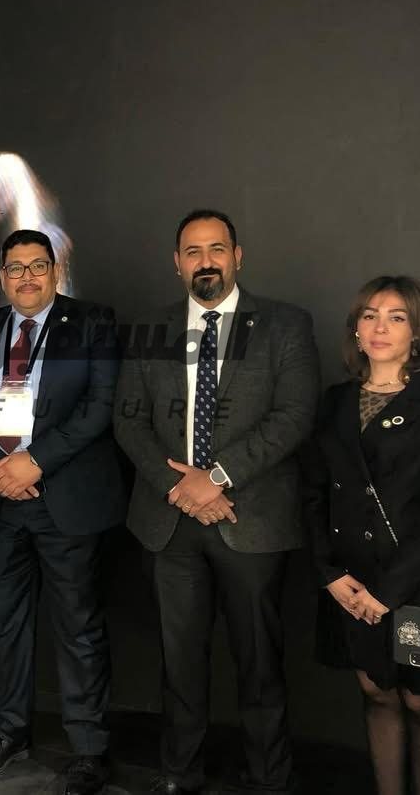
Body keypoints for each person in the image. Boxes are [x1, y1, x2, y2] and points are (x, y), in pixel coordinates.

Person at [114, 210, 319, 794]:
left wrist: (219, 477)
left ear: (238, 256)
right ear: (176, 263)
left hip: (251, 519)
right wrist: (181, 487)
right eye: (193, 251)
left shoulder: (284, 324)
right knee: (178, 660)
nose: (206, 261)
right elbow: (129, 420)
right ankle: (180, 771)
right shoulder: (150, 328)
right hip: (169, 520)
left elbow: (295, 415)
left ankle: (269, 776)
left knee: (260, 661)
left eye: (217, 249)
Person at [0, 229, 123, 795]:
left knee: (79, 629)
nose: (27, 277)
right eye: (16, 267)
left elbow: (101, 405)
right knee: (8, 626)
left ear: (55, 270)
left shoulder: (92, 322)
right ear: (2, 277)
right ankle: (9, 733)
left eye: (38, 265)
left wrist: (34, 463)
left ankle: (88, 749)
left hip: (64, 500)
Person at [304, 276, 420, 795]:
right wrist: (329, 573)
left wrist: (387, 593)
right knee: (378, 695)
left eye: (396, 317)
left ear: (418, 330)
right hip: (352, 580)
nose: (380, 327)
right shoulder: (335, 401)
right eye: (369, 315)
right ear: (356, 329)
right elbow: (314, 492)